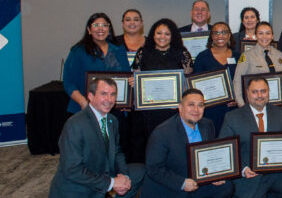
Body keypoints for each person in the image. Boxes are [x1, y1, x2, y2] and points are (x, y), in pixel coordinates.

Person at [11, 78, 144, 198]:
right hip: (77, 193)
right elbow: (72, 170)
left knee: (138, 172)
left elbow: (117, 151)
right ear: (90, 96)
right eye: (104, 94)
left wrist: (124, 176)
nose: (109, 99)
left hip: (98, 179)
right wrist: (112, 183)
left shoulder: (111, 120)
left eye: (113, 94)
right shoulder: (75, 125)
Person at [140, 89, 234, 198]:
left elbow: (208, 155)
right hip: (170, 186)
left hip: (197, 181)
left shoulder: (207, 125)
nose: (196, 110)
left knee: (226, 186)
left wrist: (215, 174)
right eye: (191, 105)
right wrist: (182, 183)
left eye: (200, 105)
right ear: (180, 107)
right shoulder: (162, 133)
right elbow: (153, 169)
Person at [218, 78, 282, 198]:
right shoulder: (232, 118)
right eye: (255, 92)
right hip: (249, 176)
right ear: (247, 93)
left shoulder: (280, 114)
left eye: (263, 91)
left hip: (275, 171)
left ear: (269, 92)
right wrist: (243, 169)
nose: (259, 95)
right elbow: (224, 150)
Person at [129, 18, 193, 163]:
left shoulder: (182, 53)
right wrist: (134, 82)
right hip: (149, 111)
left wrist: (180, 99)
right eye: (159, 33)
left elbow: (188, 81)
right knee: (151, 145)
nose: (162, 37)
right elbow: (136, 77)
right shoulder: (143, 53)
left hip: (173, 110)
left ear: (172, 36)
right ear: (153, 34)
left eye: (167, 34)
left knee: (173, 145)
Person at [63, 13, 131, 114]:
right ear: (89, 30)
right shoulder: (78, 51)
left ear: (109, 29)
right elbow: (68, 82)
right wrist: (83, 102)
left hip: (115, 109)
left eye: (104, 25)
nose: (100, 28)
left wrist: (129, 91)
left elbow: (127, 76)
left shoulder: (119, 50)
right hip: (85, 109)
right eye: (96, 25)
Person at [192, 21, 240, 133]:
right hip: (210, 110)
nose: (220, 36)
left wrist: (237, 99)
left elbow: (242, 82)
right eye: (216, 33)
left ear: (229, 35)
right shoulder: (202, 57)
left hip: (232, 108)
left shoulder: (238, 56)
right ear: (211, 36)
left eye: (224, 32)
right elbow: (195, 85)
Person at [233, 21, 282, 106]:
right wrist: (242, 105)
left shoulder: (279, 55)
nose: (264, 36)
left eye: (268, 33)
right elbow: (237, 82)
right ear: (256, 36)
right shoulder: (247, 56)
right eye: (260, 33)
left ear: (272, 36)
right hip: (255, 105)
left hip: (277, 105)